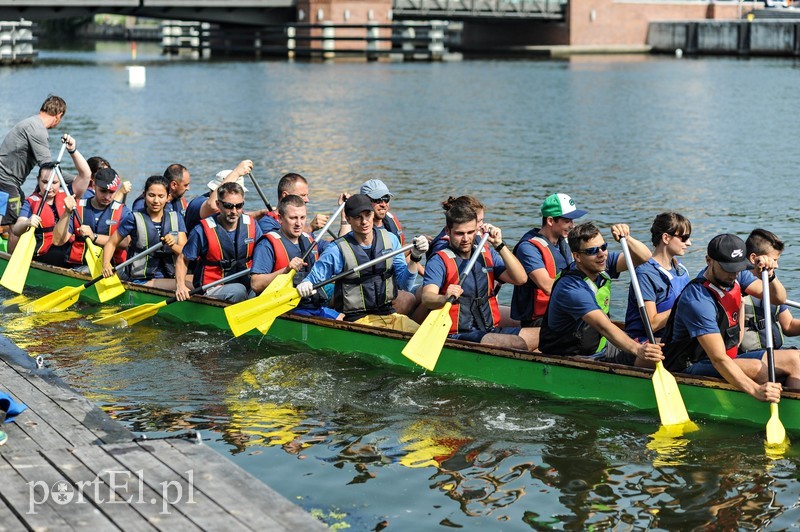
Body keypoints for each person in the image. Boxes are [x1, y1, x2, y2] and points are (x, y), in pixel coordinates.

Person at [662, 234, 800, 401]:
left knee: (796, 358)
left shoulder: (736, 275)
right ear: (709, 261)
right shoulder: (697, 300)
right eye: (728, 268)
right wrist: (756, 390)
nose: (734, 274)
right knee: (759, 368)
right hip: (689, 365)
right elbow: (719, 359)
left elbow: (778, 298)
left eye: (738, 268)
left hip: (728, 358)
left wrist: (770, 276)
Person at [296, 194, 428, 332]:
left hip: (389, 314)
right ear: (348, 219)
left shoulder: (391, 240)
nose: (364, 221)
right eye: (358, 217)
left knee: (425, 336)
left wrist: (415, 257)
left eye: (367, 215)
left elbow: (404, 285)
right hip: (357, 320)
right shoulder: (336, 250)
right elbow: (312, 280)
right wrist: (306, 285)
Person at [539, 222, 662, 366]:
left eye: (603, 247)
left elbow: (644, 257)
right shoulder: (571, 288)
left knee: (663, 346)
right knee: (649, 356)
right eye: (592, 251)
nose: (601, 254)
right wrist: (638, 349)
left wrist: (627, 239)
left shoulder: (602, 263)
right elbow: (604, 326)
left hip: (601, 347)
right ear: (577, 256)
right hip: (576, 357)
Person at [421, 202, 536, 349]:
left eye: (470, 232)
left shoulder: (486, 252)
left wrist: (500, 245)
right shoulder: (439, 260)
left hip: (488, 329)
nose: (466, 239)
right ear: (448, 231)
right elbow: (427, 298)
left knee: (544, 335)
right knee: (517, 343)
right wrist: (444, 298)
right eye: (459, 233)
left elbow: (520, 279)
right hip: (457, 335)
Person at [250, 195, 341, 319]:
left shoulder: (309, 239)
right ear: (280, 219)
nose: (299, 223)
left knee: (344, 305)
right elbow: (256, 284)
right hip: (285, 309)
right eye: (293, 218)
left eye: (302, 217)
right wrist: (286, 270)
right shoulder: (267, 244)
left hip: (312, 305)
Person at [0, 96, 80, 227]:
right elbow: (48, 169)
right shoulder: (37, 130)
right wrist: (78, 179)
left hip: (8, 181)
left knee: (18, 212)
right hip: (6, 181)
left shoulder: (32, 123)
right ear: (58, 116)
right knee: (14, 223)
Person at [511, 193, 588, 327]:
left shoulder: (564, 242)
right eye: (567, 221)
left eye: (573, 221)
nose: (572, 226)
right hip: (539, 320)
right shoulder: (528, 248)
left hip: (560, 313)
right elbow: (547, 286)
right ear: (551, 221)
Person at [175, 182, 260, 303]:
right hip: (213, 286)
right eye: (228, 206)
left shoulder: (252, 225)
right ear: (218, 204)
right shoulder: (202, 230)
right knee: (238, 291)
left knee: (262, 288)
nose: (234, 211)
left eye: (239, 206)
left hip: (246, 282)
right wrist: (181, 286)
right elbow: (183, 259)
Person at [102, 175, 186, 289]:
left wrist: (172, 245)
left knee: (197, 283)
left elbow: (185, 253)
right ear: (144, 195)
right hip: (142, 279)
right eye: (151, 195)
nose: (156, 201)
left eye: (161, 196)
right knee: (189, 286)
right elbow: (111, 243)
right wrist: (106, 265)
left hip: (170, 276)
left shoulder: (176, 218)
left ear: (168, 197)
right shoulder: (133, 218)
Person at [624, 212, 692, 342]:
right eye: (684, 238)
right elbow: (652, 324)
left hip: (672, 337)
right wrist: (685, 307)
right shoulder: (645, 274)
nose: (689, 243)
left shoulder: (680, 268)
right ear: (666, 238)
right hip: (646, 342)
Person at [57, 167, 132, 272]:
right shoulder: (77, 207)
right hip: (82, 267)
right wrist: (67, 213)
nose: (107, 196)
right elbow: (58, 241)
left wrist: (94, 237)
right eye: (103, 191)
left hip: (114, 268)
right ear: (93, 186)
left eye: (111, 192)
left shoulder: (123, 211)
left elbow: (125, 243)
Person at [740, 229, 800, 352]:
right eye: (774, 260)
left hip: (776, 352)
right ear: (753, 258)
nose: (777, 266)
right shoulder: (736, 282)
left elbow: (788, 326)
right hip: (749, 355)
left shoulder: (771, 284)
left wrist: (770, 277)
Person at [10, 162, 74, 267]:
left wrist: (72, 151)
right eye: (45, 182)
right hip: (43, 252)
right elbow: (16, 229)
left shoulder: (67, 195)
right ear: (37, 180)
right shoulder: (31, 202)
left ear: (60, 182)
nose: (49, 187)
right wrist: (27, 222)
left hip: (65, 246)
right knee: (61, 255)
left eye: (54, 182)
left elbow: (85, 176)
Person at [184, 160, 253, 232]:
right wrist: (236, 173)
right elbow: (212, 206)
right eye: (228, 205)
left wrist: (260, 213)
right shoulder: (197, 203)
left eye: (239, 205)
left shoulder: (232, 207)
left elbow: (239, 217)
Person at [257, 172, 328, 234]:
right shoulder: (266, 223)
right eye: (302, 195)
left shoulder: (300, 221)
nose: (307, 200)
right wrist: (310, 228)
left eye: (307, 195)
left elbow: (319, 245)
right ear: (285, 195)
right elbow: (281, 243)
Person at [360, 179, 404, 244]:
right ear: (364, 201)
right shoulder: (358, 227)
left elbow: (399, 250)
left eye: (386, 199)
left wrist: (415, 251)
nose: (383, 204)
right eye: (378, 200)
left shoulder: (391, 219)